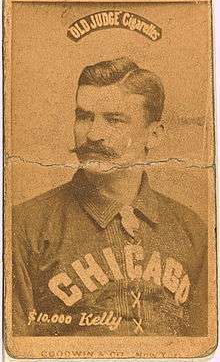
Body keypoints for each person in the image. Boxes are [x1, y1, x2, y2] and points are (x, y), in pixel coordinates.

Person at [12, 57, 207, 337]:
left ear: (153, 135)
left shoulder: (191, 229)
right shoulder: (24, 226)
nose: (93, 134)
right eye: (84, 117)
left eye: (114, 120)